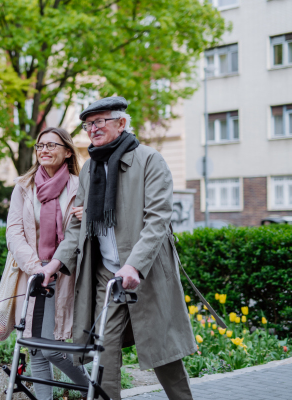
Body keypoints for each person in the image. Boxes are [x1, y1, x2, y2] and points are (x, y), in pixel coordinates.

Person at [36, 97, 197, 400]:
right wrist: (53, 264)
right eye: (88, 124)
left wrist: (134, 265)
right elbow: (76, 228)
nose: (92, 129)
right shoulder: (90, 169)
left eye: (99, 122)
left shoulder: (150, 160)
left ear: (122, 123)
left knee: (163, 354)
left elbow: (157, 220)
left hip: (146, 274)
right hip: (105, 276)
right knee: (103, 353)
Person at [6, 127, 88, 400]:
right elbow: (14, 232)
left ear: (67, 151)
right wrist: (36, 267)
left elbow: (82, 234)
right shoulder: (23, 186)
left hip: (64, 272)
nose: (44, 150)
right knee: (36, 348)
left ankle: (93, 389)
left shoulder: (79, 186)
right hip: (32, 273)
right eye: (40, 146)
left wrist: (86, 216)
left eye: (52, 145)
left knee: (51, 346)